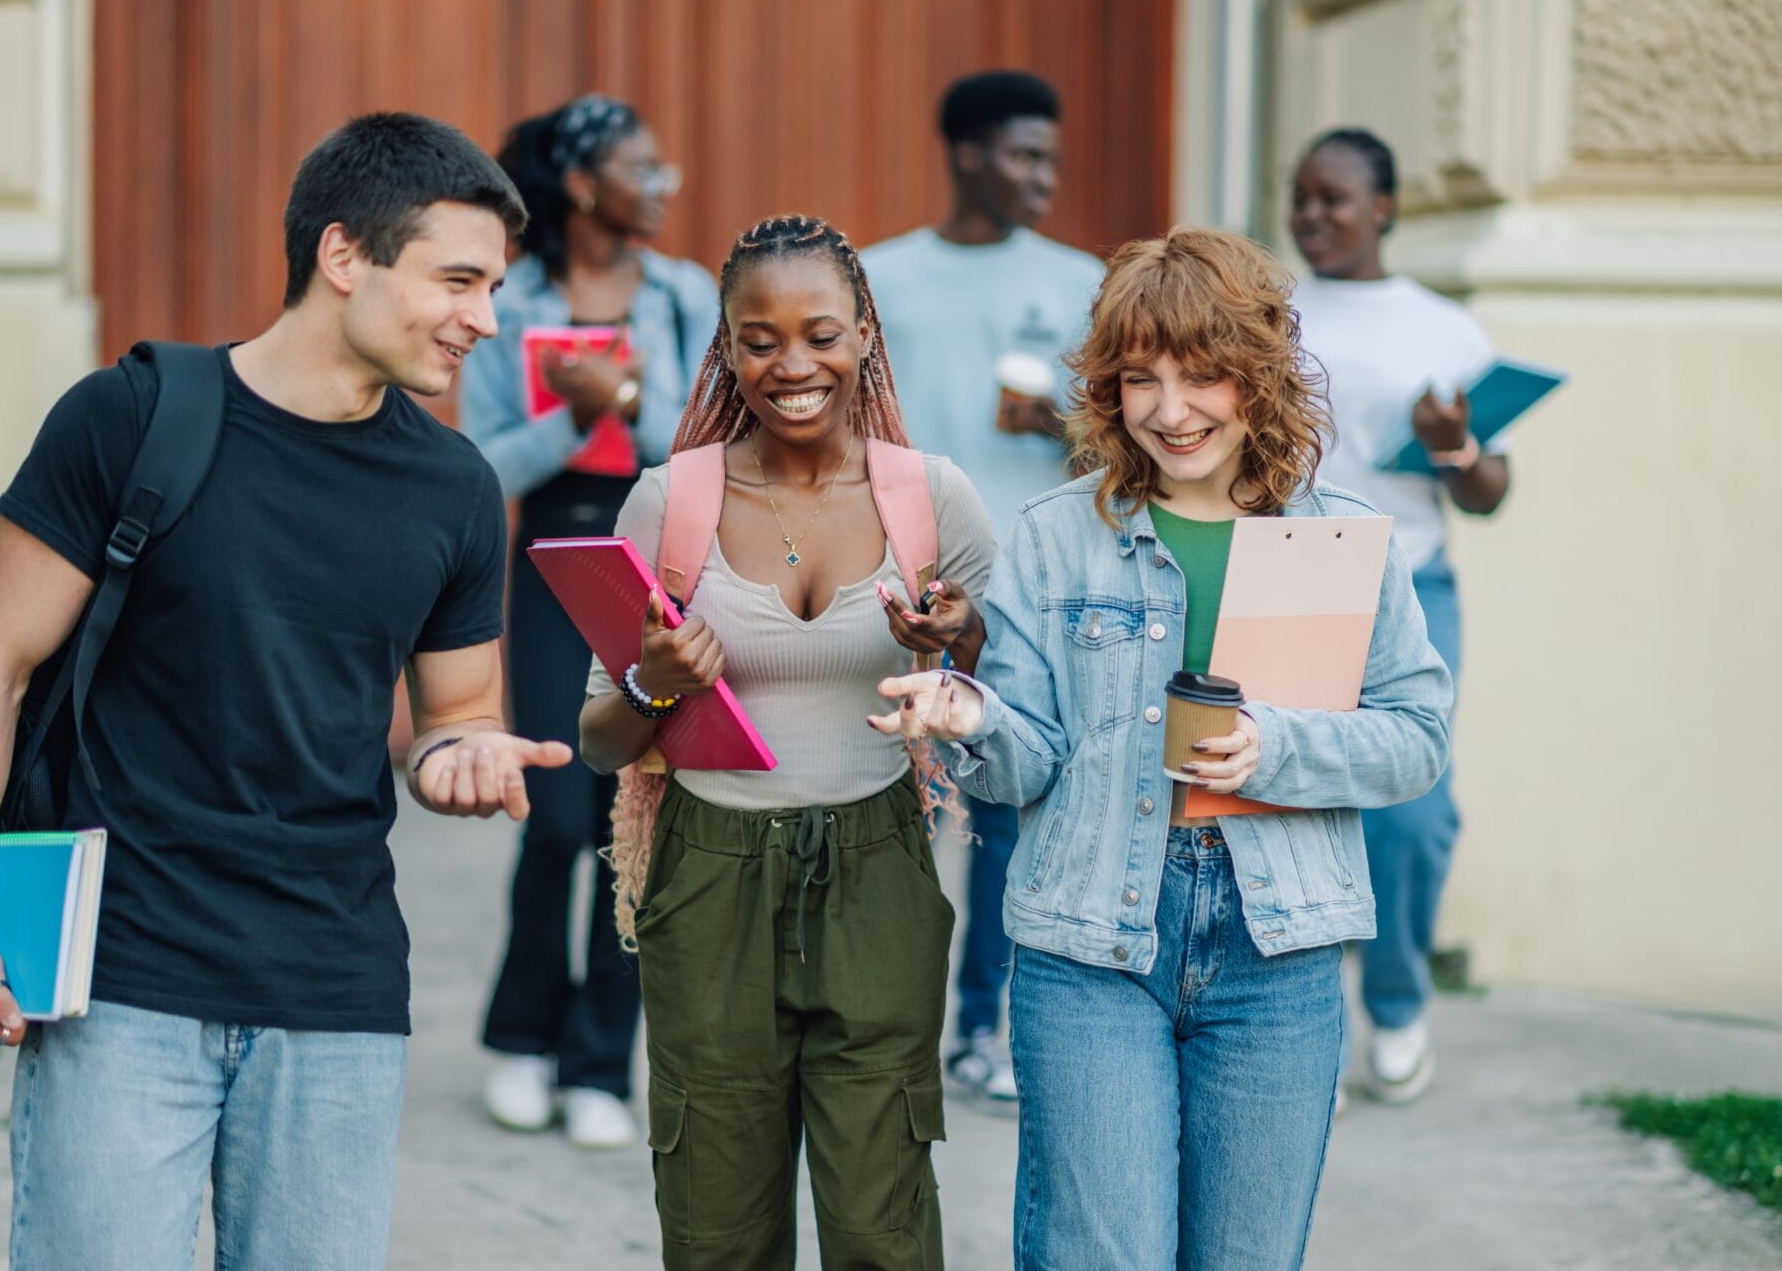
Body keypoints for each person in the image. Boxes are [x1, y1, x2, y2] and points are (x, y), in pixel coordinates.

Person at [0, 113, 572, 1271]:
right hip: (123, 976)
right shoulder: (131, 418)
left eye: (494, 287)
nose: (486, 319)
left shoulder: (455, 488)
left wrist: (462, 756)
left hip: (337, 985)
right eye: (458, 280)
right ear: (343, 256)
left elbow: (457, 713)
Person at [872, 227, 1453, 1268]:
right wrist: (969, 720)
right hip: (1091, 939)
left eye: (1203, 375)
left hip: (1279, 950)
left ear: (1259, 375)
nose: (1170, 409)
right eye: (1141, 376)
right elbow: (1027, 764)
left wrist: (1274, 746)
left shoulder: (1343, 536)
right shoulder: (1054, 535)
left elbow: (1416, 740)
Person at [576, 215, 995, 1269]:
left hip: (880, 867)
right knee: (716, 1223)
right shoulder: (670, 502)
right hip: (709, 873)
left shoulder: (932, 498)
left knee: (882, 1219)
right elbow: (597, 738)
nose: (792, 364)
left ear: (865, 333)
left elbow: (1011, 703)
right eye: (758, 339)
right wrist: (655, 688)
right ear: (725, 346)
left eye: (820, 333)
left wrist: (961, 641)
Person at [459, 94, 717, 1150]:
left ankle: (601, 1063)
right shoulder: (508, 297)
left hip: (661, 562)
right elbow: (480, 467)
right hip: (557, 555)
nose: (662, 186)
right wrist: (572, 411)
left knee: (636, 815)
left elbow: (698, 452)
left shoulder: (685, 293)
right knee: (562, 813)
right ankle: (524, 1037)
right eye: (640, 169)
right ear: (580, 186)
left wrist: (622, 401)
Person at [861, 69, 1104, 1103]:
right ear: (965, 152)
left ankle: (987, 1030)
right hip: (893, 586)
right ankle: (878, 1023)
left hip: (1029, 589)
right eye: (1023, 155)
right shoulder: (878, 277)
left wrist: (1060, 427)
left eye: (1050, 156)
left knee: (1008, 813)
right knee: (887, 809)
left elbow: (1131, 439)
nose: (1044, 177)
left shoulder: (1084, 279)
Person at [1288, 127, 1510, 1104]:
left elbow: (1492, 490)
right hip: (1290, 573)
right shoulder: (1268, 313)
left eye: (1333, 198)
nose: (1312, 215)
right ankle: (1304, 1016)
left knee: (1411, 815)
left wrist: (1457, 446)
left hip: (1410, 578)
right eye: (1300, 197)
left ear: (1385, 208)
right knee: (1287, 796)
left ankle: (1397, 996)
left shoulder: (1442, 329)